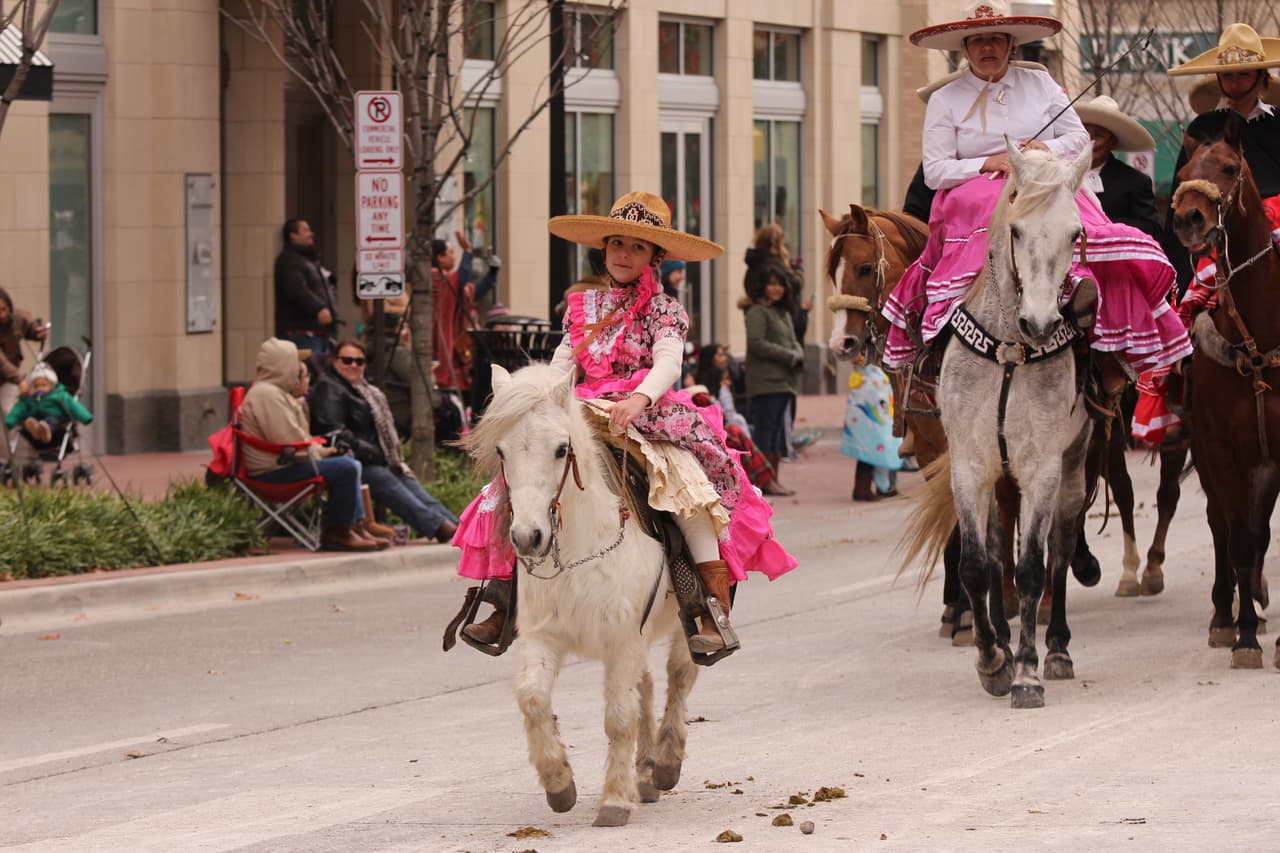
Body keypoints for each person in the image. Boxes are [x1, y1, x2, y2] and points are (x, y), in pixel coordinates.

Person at [455, 191, 798, 651]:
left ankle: (709, 613)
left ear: (655, 256)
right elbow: (561, 365)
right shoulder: (582, 308)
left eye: (637, 247)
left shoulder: (664, 310)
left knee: (688, 494)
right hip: (582, 411)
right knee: (513, 484)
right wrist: (537, 404)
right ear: (604, 248)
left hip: (648, 413)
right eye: (617, 243)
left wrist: (639, 398)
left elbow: (669, 362)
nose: (624, 254)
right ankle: (502, 600)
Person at [882, 0, 1191, 386]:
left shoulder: (1041, 84)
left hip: (1041, 181)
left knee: (1080, 219)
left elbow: (1078, 138)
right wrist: (986, 164)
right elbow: (936, 171)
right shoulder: (946, 99)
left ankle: (1081, 291)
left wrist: (1046, 150)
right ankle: (953, 325)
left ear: (1011, 43)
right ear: (966, 47)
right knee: (988, 208)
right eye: (978, 40)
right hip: (973, 192)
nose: (987, 47)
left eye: (995, 38)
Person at [1134, 25, 1280, 445]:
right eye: (1228, 75)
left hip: (1277, 225)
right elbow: (1185, 193)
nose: (1234, 83)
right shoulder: (1202, 127)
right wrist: (1172, 262)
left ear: (1260, 77)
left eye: (1243, 74)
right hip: (1216, 233)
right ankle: (1181, 404)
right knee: (1190, 313)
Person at [238, 337, 383, 552]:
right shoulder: (267, 395)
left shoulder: (275, 393)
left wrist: (324, 451)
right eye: (294, 362)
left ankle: (354, 525)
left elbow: (293, 440)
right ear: (282, 365)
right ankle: (338, 531)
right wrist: (321, 453)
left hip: (283, 462)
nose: (298, 368)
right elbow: (291, 441)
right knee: (346, 467)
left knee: (346, 459)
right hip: (273, 471)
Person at [310, 338, 459, 543]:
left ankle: (460, 527)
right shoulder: (329, 388)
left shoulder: (365, 390)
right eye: (347, 360)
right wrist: (372, 452)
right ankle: (440, 528)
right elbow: (334, 431)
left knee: (412, 486)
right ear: (335, 361)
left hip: (378, 458)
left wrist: (380, 456)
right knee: (391, 484)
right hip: (353, 458)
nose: (353, 365)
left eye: (359, 361)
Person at [743, 262, 805, 493]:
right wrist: (789, 355)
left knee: (778, 432)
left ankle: (773, 479)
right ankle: (762, 481)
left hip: (785, 382)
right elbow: (757, 344)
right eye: (771, 284)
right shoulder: (757, 312)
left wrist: (798, 352)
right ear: (762, 286)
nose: (776, 288)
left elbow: (793, 341)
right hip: (765, 382)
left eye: (780, 284)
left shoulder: (783, 313)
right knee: (766, 431)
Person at [1074, 95, 1162, 239]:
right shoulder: (1059, 174)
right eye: (1084, 133)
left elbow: (1152, 229)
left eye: (1099, 135)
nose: (1089, 141)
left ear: (1113, 142)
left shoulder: (1134, 181)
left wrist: (1102, 224)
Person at [274, 219, 337, 377]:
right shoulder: (290, 261)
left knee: (320, 374)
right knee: (310, 375)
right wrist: (319, 308)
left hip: (316, 332)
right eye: (306, 230)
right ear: (293, 236)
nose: (311, 234)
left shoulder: (309, 262)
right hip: (302, 332)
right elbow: (297, 290)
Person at [841, 357, 902, 502]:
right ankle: (865, 488)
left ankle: (879, 486)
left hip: (874, 388)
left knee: (877, 443)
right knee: (871, 442)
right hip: (868, 391)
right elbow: (846, 349)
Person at [432, 231, 481, 393]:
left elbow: (471, 289)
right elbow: (461, 279)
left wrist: (492, 275)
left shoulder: (439, 277)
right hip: (439, 336)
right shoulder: (437, 277)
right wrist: (467, 251)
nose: (453, 256)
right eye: (451, 252)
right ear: (439, 257)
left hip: (442, 334)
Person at [4, 362, 92, 446]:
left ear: (52, 384)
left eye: (43, 385)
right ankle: (36, 430)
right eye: (36, 386)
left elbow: (72, 406)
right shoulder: (30, 398)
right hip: (35, 419)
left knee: (51, 421)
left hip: (55, 420)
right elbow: (19, 409)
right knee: (28, 419)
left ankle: (45, 430)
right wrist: (9, 422)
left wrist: (85, 417)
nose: (40, 388)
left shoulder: (59, 394)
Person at [0, 287, 49, 416]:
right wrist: (20, 380)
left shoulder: (17, 317)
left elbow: (29, 325)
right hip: (8, 371)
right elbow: (1, 362)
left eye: (4, 309)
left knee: (8, 411)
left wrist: (37, 332)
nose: (2, 315)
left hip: (8, 376)